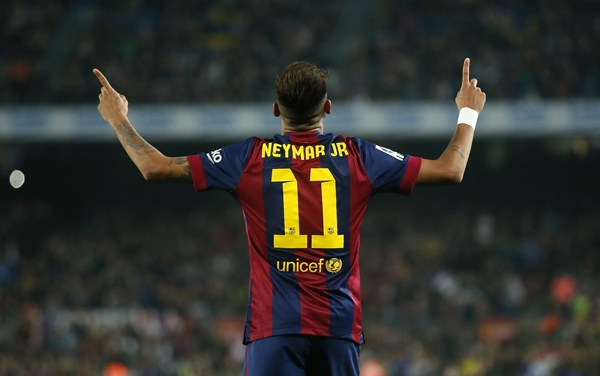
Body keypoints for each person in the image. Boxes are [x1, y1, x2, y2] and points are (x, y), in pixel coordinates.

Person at [94, 58, 486, 376]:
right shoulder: (358, 156)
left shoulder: (248, 158)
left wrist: (117, 118)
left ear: (276, 109)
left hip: (275, 331)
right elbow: (451, 170)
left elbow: (155, 167)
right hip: (338, 331)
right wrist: (467, 113)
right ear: (328, 107)